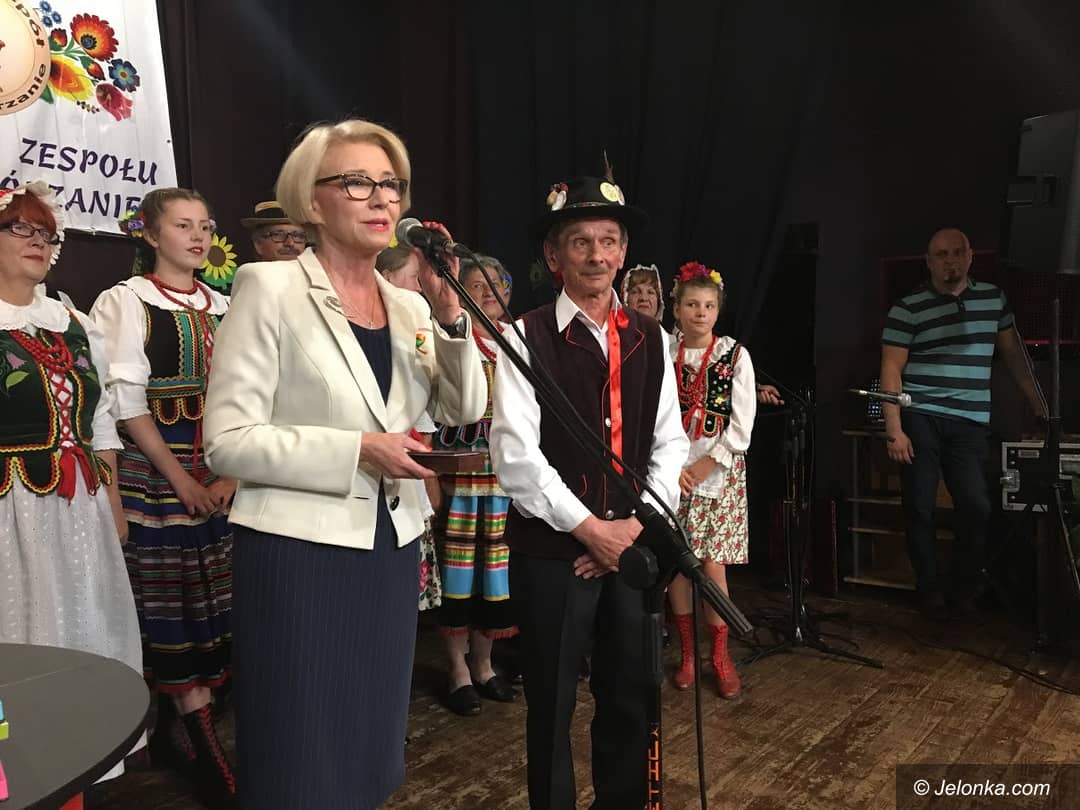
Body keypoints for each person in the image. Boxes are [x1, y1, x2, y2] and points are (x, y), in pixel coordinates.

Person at [202, 118, 487, 810]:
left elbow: (463, 407)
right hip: (298, 552)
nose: (381, 197)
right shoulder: (269, 287)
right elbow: (228, 441)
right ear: (312, 199)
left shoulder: (410, 305)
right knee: (301, 747)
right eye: (357, 182)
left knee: (369, 738)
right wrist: (358, 450)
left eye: (391, 184)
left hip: (389, 546)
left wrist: (452, 318)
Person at [490, 175, 688, 809]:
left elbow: (670, 444)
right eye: (580, 242)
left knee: (631, 695)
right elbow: (516, 457)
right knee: (551, 704)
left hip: (633, 551)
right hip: (553, 555)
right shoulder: (524, 337)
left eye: (608, 241)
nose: (596, 255)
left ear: (623, 252)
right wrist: (590, 530)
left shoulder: (653, 339)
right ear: (554, 257)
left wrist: (630, 530)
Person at [90, 188, 236, 808]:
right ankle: (197, 739)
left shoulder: (227, 305)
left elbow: (253, 395)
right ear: (150, 234)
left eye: (204, 226)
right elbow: (125, 404)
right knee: (168, 604)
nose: (198, 237)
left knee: (217, 604)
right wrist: (181, 480)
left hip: (222, 472)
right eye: (182, 226)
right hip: (157, 475)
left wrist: (231, 475)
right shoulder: (126, 302)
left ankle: (190, 726)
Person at [0, 182, 143, 797]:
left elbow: (101, 419)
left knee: (84, 628)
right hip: (11, 513)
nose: (39, 242)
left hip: (80, 509)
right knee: (24, 634)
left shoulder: (74, 322)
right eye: (21, 229)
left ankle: (77, 766)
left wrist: (113, 502)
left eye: (46, 233)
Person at [881, 227, 1042, 621]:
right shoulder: (908, 307)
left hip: (970, 419)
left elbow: (1015, 358)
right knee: (920, 506)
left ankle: (963, 589)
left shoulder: (992, 300)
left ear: (970, 257)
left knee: (976, 506)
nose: (950, 261)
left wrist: (1040, 406)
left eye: (957, 253)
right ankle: (929, 590)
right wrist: (894, 429)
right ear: (929, 262)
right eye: (941, 254)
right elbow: (891, 368)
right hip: (921, 413)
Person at [667, 261, 756, 699]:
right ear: (677, 309)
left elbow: (741, 425)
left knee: (711, 564)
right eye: (691, 304)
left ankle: (719, 656)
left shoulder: (734, 355)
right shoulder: (665, 353)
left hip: (717, 473)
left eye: (708, 305)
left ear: (718, 311)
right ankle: (687, 654)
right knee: (678, 567)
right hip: (671, 473)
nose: (700, 312)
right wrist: (671, 468)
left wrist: (708, 463)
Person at [434, 254, 518, 716]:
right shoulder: (450, 334)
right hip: (462, 477)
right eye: (476, 285)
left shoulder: (516, 341)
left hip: (505, 480)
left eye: (495, 286)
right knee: (458, 572)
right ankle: (457, 669)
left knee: (495, 574)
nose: (488, 293)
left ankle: (484, 665)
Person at [239, 200, 308, 261]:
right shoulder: (249, 271)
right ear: (258, 244)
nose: (290, 243)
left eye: (297, 236)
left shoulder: (312, 271)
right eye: (279, 235)